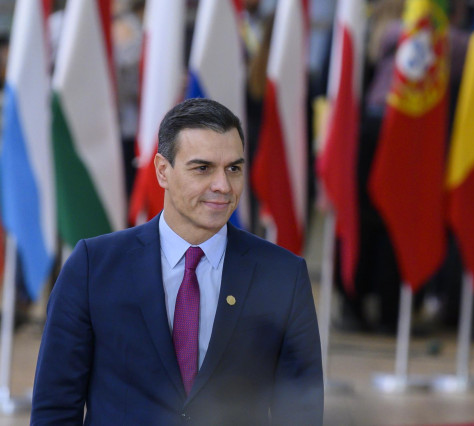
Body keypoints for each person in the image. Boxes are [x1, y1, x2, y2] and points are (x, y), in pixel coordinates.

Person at [31, 98, 324, 425]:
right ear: (162, 171)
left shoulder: (283, 275)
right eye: (203, 168)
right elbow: (55, 406)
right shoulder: (92, 267)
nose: (222, 186)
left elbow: (301, 412)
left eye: (234, 168)